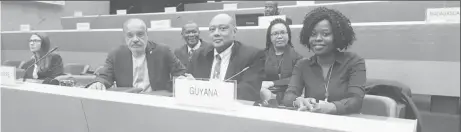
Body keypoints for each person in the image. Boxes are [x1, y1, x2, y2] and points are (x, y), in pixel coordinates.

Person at [283, 7, 366, 115]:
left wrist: (331, 107)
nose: (318, 38)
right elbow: (289, 96)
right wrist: (299, 101)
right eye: (313, 34)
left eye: (325, 34)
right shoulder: (302, 65)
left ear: (337, 36)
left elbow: (356, 100)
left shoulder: (354, 62)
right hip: (315, 123)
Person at [87, 18, 187, 92]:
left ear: (147, 35)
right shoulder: (116, 54)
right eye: (130, 35)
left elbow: (180, 73)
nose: (135, 39)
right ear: (125, 37)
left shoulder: (163, 51)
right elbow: (104, 76)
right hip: (128, 102)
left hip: (156, 100)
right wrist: (99, 83)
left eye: (140, 34)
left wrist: (182, 79)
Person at [186, 13, 265, 101]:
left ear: (234, 31)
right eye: (212, 30)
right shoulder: (198, 55)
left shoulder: (252, 55)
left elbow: (248, 92)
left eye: (222, 29)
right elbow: (188, 84)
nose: (216, 33)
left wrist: (205, 89)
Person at [259, 18, 302, 106]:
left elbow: (298, 79)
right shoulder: (261, 56)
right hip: (264, 97)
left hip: (291, 98)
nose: (279, 36)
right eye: (275, 34)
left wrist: (272, 83)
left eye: (283, 32)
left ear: (288, 35)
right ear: (270, 37)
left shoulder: (298, 58)